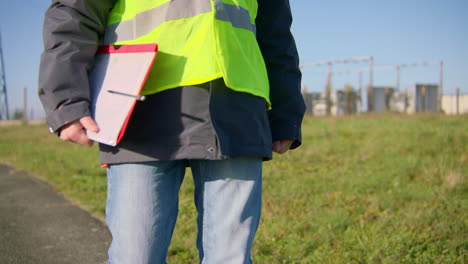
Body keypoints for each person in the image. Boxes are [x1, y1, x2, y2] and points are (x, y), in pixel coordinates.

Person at [39, 0, 305, 263]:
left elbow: (276, 34)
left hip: (238, 109)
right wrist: (65, 96)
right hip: (139, 107)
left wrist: (286, 111)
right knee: (135, 257)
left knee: (230, 258)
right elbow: (75, 12)